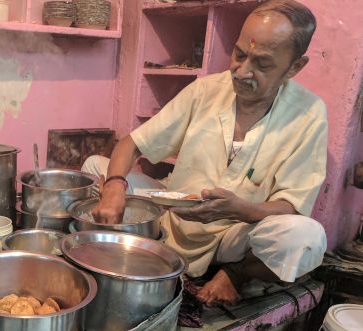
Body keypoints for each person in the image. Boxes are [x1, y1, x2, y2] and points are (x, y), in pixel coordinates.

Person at [83, 0, 327, 306]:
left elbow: (292, 207)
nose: (242, 71)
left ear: (294, 67)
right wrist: (115, 186)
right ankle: (143, 246)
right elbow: (131, 144)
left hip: (235, 236)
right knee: (96, 167)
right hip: (174, 216)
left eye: (262, 64)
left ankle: (234, 275)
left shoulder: (309, 114)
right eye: (239, 54)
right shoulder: (206, 90)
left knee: (302, 236)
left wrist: (237, 209)